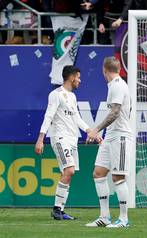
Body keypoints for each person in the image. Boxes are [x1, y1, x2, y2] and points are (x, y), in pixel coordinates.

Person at [35, 65, 91, 220]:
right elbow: (48, 116)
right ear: (72, 77)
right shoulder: (56, 94)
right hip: (60, 138)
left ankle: (59, 210)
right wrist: (41, 139)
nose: (80, 80)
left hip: (72, 139)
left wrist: (90, 131)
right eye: (78, 77)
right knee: (69, 170)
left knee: (68, 173)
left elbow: (77, 118)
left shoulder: (72, 97)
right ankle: (56, 210)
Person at [85, 56, 133, 228]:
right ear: (118, 69)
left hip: (120, 135)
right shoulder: (114, 85)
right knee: (98, 173)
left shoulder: (119, 85)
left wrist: (96, 129)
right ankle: (104, 217)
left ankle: (124, 219)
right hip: (110, 135)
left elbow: (115, 113)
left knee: (118, 177)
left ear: (104, 70)